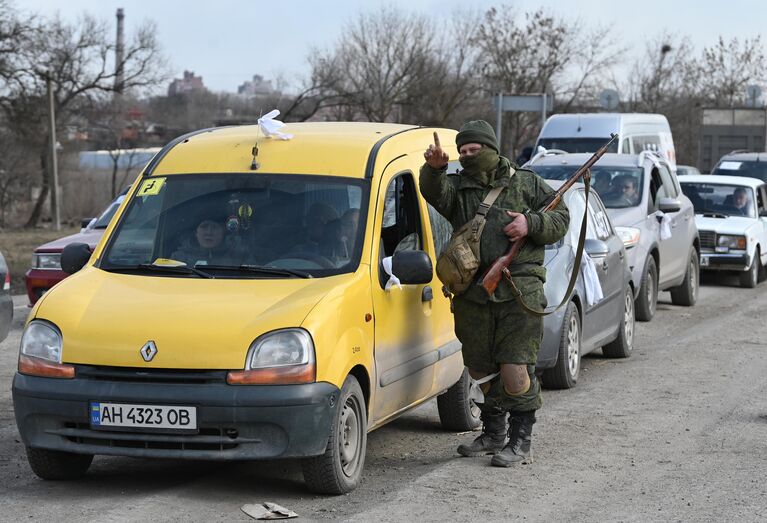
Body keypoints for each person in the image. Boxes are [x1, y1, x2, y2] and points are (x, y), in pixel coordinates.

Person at [420, 121, 569, 467]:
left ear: (491, 148)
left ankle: (520, 441)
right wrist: (435, 168)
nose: (469, 157)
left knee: (515, 368)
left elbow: (561, 218)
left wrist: (530, 224)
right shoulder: (457, 189)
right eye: (463, 152)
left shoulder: (527, 183)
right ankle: (493, 433)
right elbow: (433, 192)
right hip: (474, 295)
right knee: (480, 367)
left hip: (519, 292)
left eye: (475, 150)